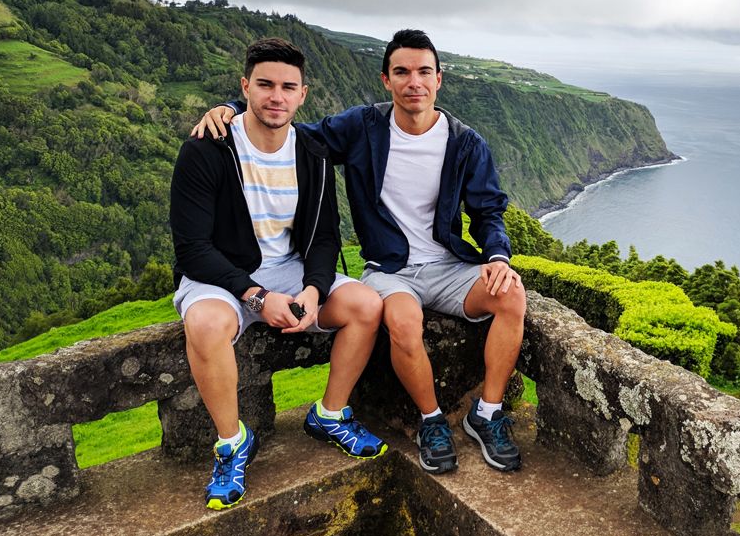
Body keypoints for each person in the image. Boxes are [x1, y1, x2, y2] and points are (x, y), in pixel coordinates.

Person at [193, 29, 526, 475]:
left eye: (424, 72)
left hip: (450, 266)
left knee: (512, 297)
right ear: (386, 80)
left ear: (439, 79)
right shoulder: (363, 127)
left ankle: (486, 413)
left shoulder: (465, 143)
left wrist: (498, 258)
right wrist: (232, 110)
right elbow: (286, 125)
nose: (415, 82)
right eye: (402, 72)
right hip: (391, 269)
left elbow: (488, 210)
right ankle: (431, 421)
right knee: (403, 319)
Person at [172, 37, 388, 510]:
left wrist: (314, 289)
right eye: (265, 84)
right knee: (206, 325)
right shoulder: (207, 149)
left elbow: (325, 236)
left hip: (290, 270)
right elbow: (192, 249)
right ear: (245, 87)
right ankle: (231, 444)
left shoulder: (312, 152)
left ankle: (329, 414)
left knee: (367, 305)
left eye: (288, 87)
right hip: (222, 273)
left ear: (303, 94)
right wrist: (254, 295)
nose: (277, 96)